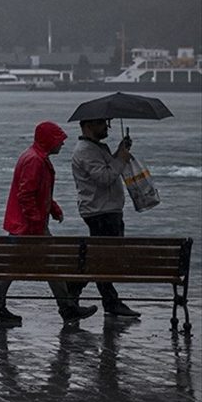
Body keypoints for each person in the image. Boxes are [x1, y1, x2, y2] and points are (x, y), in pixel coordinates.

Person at [0, 121, 98, 325]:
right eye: (59, 140)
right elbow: (26, 195)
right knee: (47, 265)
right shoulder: (35, 161)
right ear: (49, 140)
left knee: (14, 265)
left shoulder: (35, 157)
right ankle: (67, 308)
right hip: (28, 226)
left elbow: (38, 192)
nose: (62, 145)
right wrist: (38, 222)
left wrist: (53, 209)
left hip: (24, 225)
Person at [67, 118, 140, 317]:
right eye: (101, 123)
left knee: (102, 257)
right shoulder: (85, 151)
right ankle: (105, 300)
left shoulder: (95, 148)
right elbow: (105, 178)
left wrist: (119, 151)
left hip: (107, 210)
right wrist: (122, 158)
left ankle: (77, 291)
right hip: (101, 211)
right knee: (103, 259)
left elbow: (108, 168)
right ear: (88, 125)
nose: (106, 127)